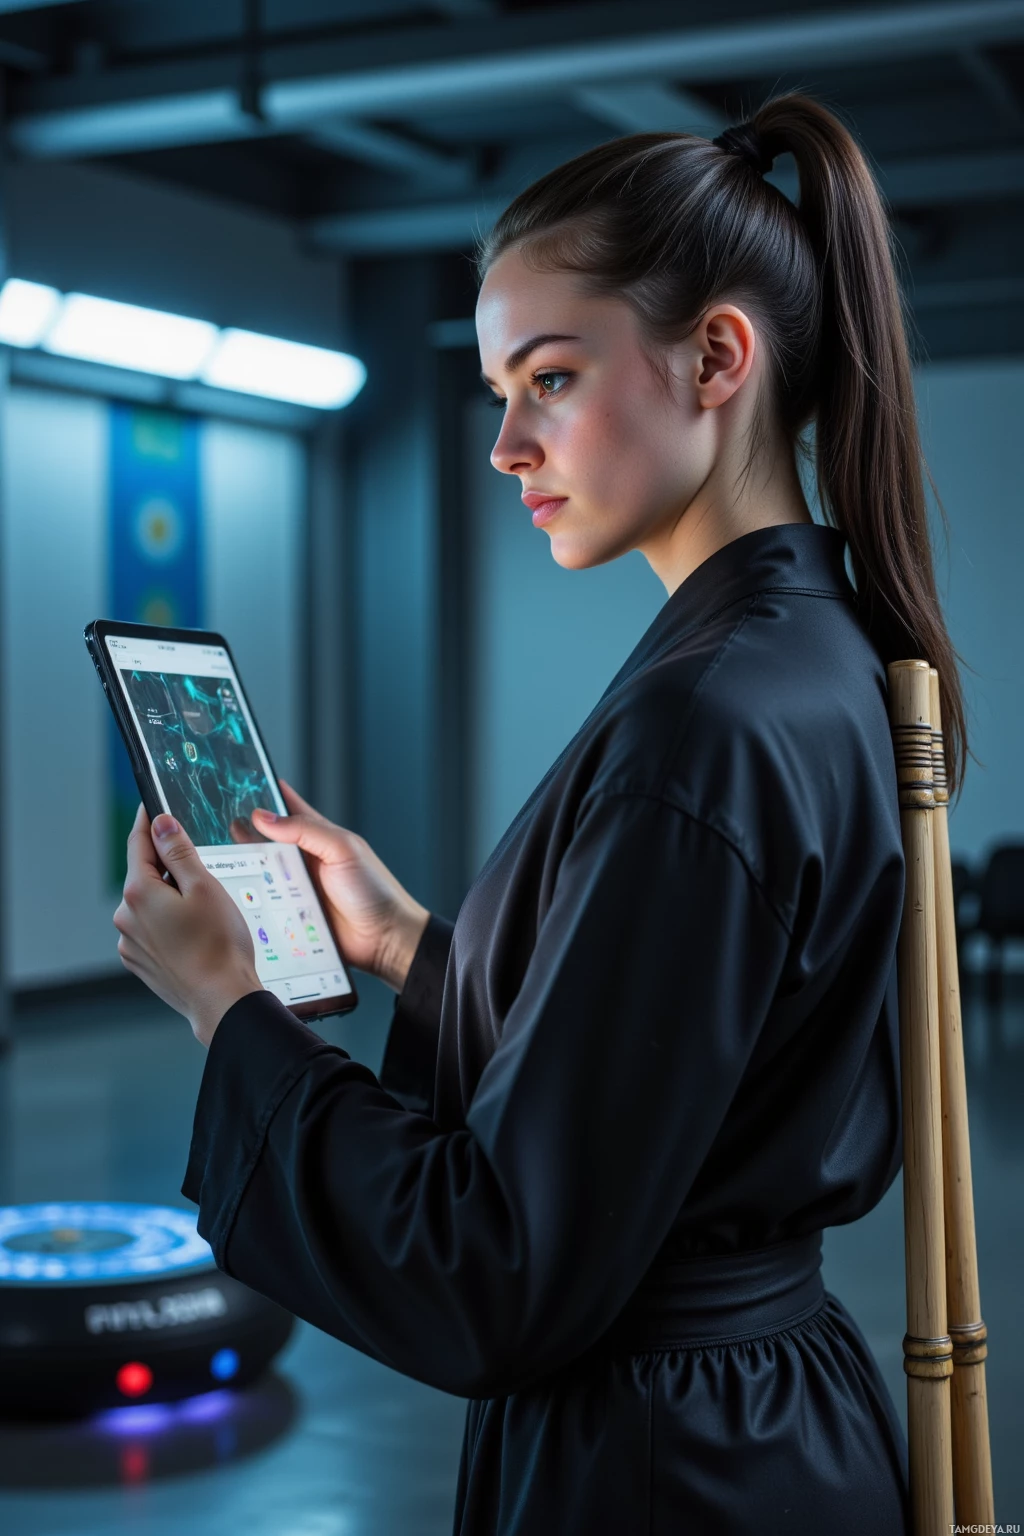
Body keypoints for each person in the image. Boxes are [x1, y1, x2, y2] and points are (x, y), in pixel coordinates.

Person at [113, 91, 968, 1534]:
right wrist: (405, 947)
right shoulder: (805, 650)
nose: (506, 443)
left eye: (552, 379)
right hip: (759, 1429)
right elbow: (678, 1073)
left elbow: (495, 1269)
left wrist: (229, 1015)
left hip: (670, 1471)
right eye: (501, 386)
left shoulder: (707, 717)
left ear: (716, 359)